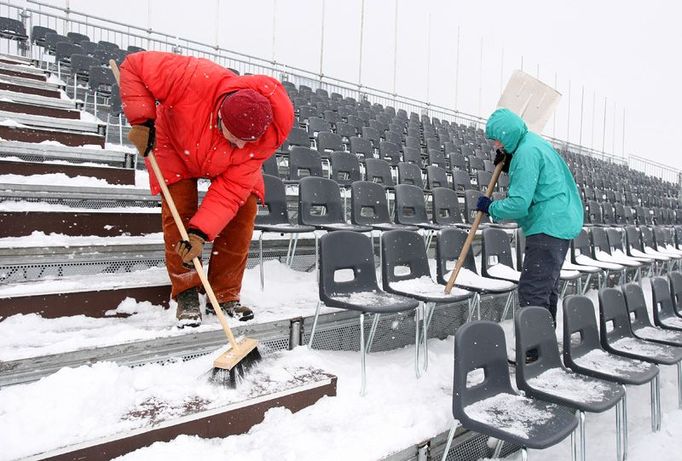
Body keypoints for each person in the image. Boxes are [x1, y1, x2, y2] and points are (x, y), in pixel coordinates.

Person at [119, 51, 294, 328]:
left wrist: (201, 233)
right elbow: (134, 66)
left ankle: (224, 295)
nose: (240, 145)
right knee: (178, 211)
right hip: (174, 144)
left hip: (226, 165)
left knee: (244, 208)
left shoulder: (261, 139)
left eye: (247, 141)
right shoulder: (191, 76)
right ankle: (186, 291)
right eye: (236, 138)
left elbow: (231, 190)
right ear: (220, 117)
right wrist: (142, 121)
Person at [476, 108, 583, 324]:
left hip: (548, 225)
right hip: (560, 221)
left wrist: (491, 207)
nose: (496, 145)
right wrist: (509, 162)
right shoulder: (533, 142)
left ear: (507, 135)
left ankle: (534, 352)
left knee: (532, 292)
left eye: (497, 140)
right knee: (546, 288)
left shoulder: (525, 153)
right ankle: (545, 346)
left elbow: (518, 204)